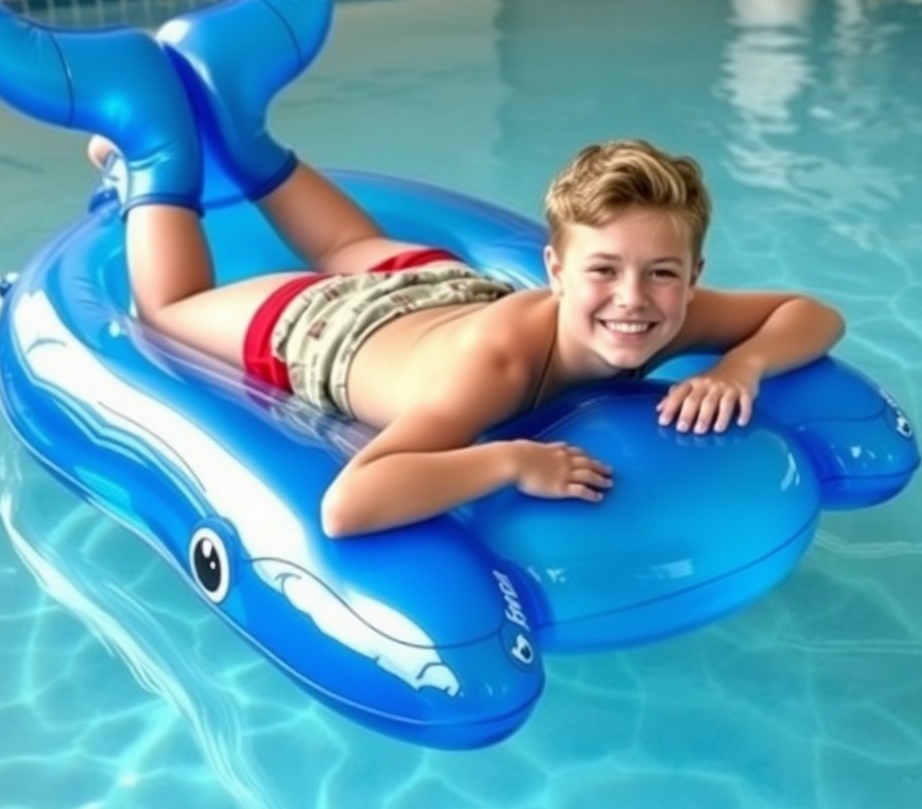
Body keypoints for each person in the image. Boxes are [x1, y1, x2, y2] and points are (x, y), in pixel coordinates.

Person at [88, 132, 845, 539]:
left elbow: (813, 313)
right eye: (603, 270)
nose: (632, 300)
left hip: (448, 288)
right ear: (554, 268)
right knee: (170, 306)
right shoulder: (500, 368)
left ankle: (242, 130)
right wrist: (509, 462)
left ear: (693, 270)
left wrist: (740, 368)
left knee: (354, 244)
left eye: (662, 274)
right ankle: (155, 152)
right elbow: (350, 504)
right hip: (335, 329)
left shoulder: (663, 316)